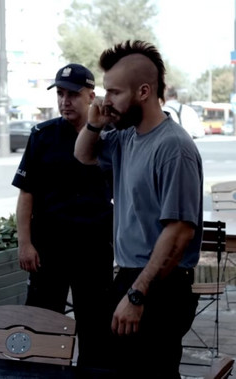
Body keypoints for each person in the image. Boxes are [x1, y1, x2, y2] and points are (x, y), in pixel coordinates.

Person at [74, 40, 203, 378]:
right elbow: (84, 155)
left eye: (114, 93)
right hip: (132, 277)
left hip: (160, 284)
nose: (106, 102)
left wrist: (137, 295)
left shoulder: (174, 147)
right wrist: (94, 122)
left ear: (144, 91)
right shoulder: (127, 138)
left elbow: (179, 232)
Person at [11, 63, 114, 368]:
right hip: (49, 249)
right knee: (41, 326)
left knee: (95, 329)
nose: (65, 101)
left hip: (93, 248)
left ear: (91, 96)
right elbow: (26, 192)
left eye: (72, 94)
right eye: (60, 94)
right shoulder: (42, 135)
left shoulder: (109, 136)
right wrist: (24, 243)